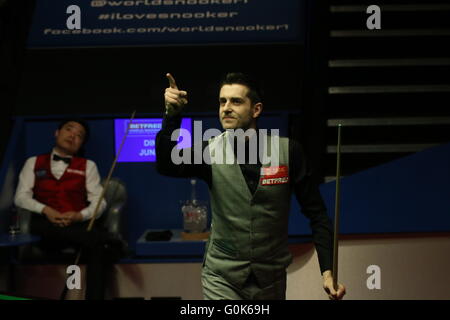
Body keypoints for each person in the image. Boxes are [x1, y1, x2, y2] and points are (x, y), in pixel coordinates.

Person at [156, 72, 346, 300]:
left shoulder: (288, 152)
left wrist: (327, 272)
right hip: (221, 277)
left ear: (256, 110)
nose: (226, 108)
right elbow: (166, 164)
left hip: (271, 278)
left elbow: (317, 215)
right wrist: (172, 116)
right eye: (222, 101)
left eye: (236, 101)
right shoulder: (208, 152)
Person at [14, 119, 123, 300]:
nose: (73, 135)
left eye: (79, 135)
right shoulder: (33, 162)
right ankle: (110, 240)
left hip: (76, 227)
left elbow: (99, 202)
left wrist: (79, 215)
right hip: (45, 228)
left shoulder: (88, 166)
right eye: (69, 129)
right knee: (96, 240)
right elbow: (20, 197)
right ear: (57, 133)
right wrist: (46, 210)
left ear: (81, 143)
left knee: (97, 249)